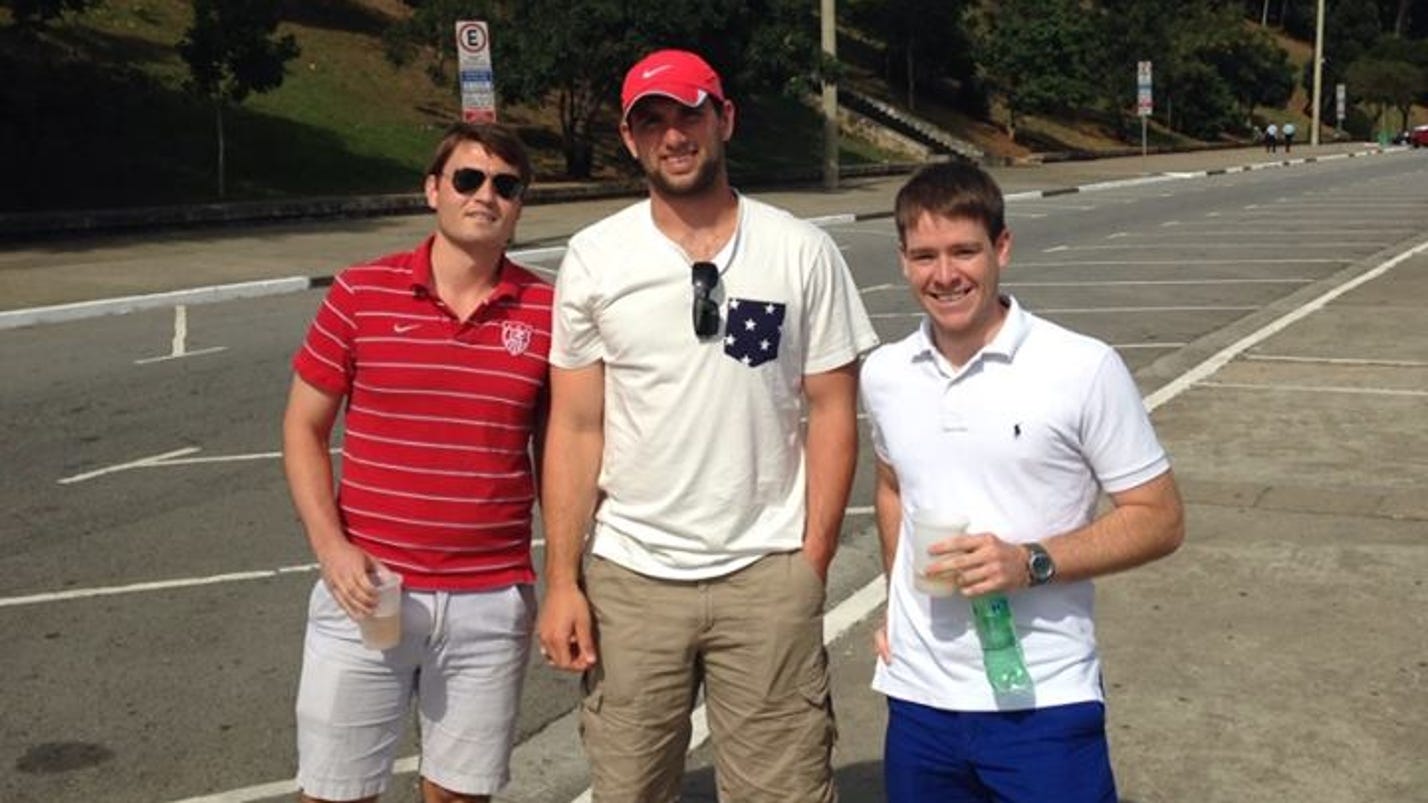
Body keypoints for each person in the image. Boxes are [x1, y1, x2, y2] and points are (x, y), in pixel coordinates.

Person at [538, 48, 879, 801]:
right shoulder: (596, 259)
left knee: (783, 789)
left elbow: (831, 410)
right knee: (629, 787)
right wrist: (562, 578)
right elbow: (575, 427)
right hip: (632, 579)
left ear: (724, 118)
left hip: (766, 573)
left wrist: (810, 561)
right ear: (630, 140)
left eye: (688, 113)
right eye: (650, 121)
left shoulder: (801, 250)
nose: (673, 135)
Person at [860, 161, 1185, 803]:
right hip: (920, 700)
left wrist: (1031, 562)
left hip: (1042, 702)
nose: (945, 275)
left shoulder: (1082, 367)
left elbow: (1160, 517)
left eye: (964, 251)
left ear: (1001, 247)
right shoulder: (887, 372)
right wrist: (895, 605)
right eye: (925, 255)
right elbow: (895, 487)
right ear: (902, 260)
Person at [283, 122, 550, 803]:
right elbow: (304, 428)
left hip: (490, 599)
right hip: (369, 588)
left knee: (460, 796)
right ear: (433, 190)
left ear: (519, 205)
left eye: (505, 185)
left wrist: (573, 577)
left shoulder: (550, 309)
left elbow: (562, 451)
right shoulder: (359, 293)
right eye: (467, 178)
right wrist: (331, 547)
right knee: (335, 792)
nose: (485, 195)